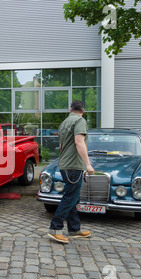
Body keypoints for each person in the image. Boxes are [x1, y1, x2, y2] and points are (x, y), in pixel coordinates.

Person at [47, 100, 95, 244]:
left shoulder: (64, 123)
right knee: (70, 198)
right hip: (74, 165)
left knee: (73, 198)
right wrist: (88, 164)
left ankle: (74, 229)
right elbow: (79, 142)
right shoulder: (80, 121)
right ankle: (55, 228)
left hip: (65, 165)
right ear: (83, 111)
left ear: (70, 109)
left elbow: (61, 146)